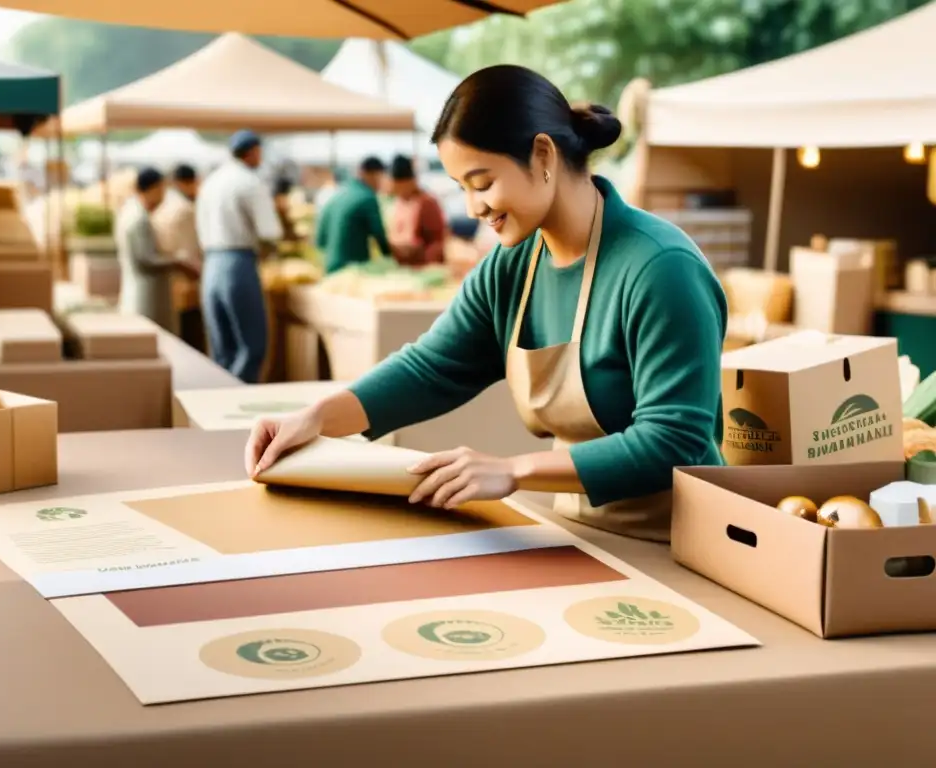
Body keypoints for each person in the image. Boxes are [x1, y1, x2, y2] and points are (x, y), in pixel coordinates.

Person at [245, 64, 728, 544]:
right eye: (461, 189)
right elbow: (430, 369)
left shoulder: (661, 267)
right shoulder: (512, 266)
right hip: (580, 532)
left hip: (684, 540)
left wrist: (514, 470)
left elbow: (675, 438)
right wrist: (315, 419)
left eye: (482, 183)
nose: (474, 208)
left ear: (543, 155)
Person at [196, 130, 282, 383]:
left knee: (222, 350)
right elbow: (269, 230)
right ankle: (237, 402)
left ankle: (218, 404)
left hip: (210, 265)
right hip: (238, 264)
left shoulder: (211, 182)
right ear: (253, 151)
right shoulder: (250, 182)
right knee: (252, 346)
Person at [116, 167, 197, 334]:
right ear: (153, 189)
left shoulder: (131, 212)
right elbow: (147, 259)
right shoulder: (138, 219)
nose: (163, 196)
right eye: (161, 190)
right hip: (145, 297)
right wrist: (178, 263)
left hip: (140, 291)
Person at [150, 163, 204, 351]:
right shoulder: (185, 209)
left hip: (166, 278)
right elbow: (190, 250)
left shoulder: (162, 206)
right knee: (188, 338)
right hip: (185, 278)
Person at [314, 156, 391, 274]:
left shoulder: (339, 193)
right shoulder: (367, 197)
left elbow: (320, 238)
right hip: (354, 269)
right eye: (380, 178)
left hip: (330, 266)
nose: (380, 184)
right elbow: (379, 235)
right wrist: (392, 258)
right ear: (373, 175)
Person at [387, 154, 447, 267]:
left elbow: (438, 242)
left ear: (411, 181)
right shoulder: (398, 202)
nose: (398, 192)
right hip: (401, 267)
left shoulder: (426, 202)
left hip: (424, 267)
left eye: (400, 187)